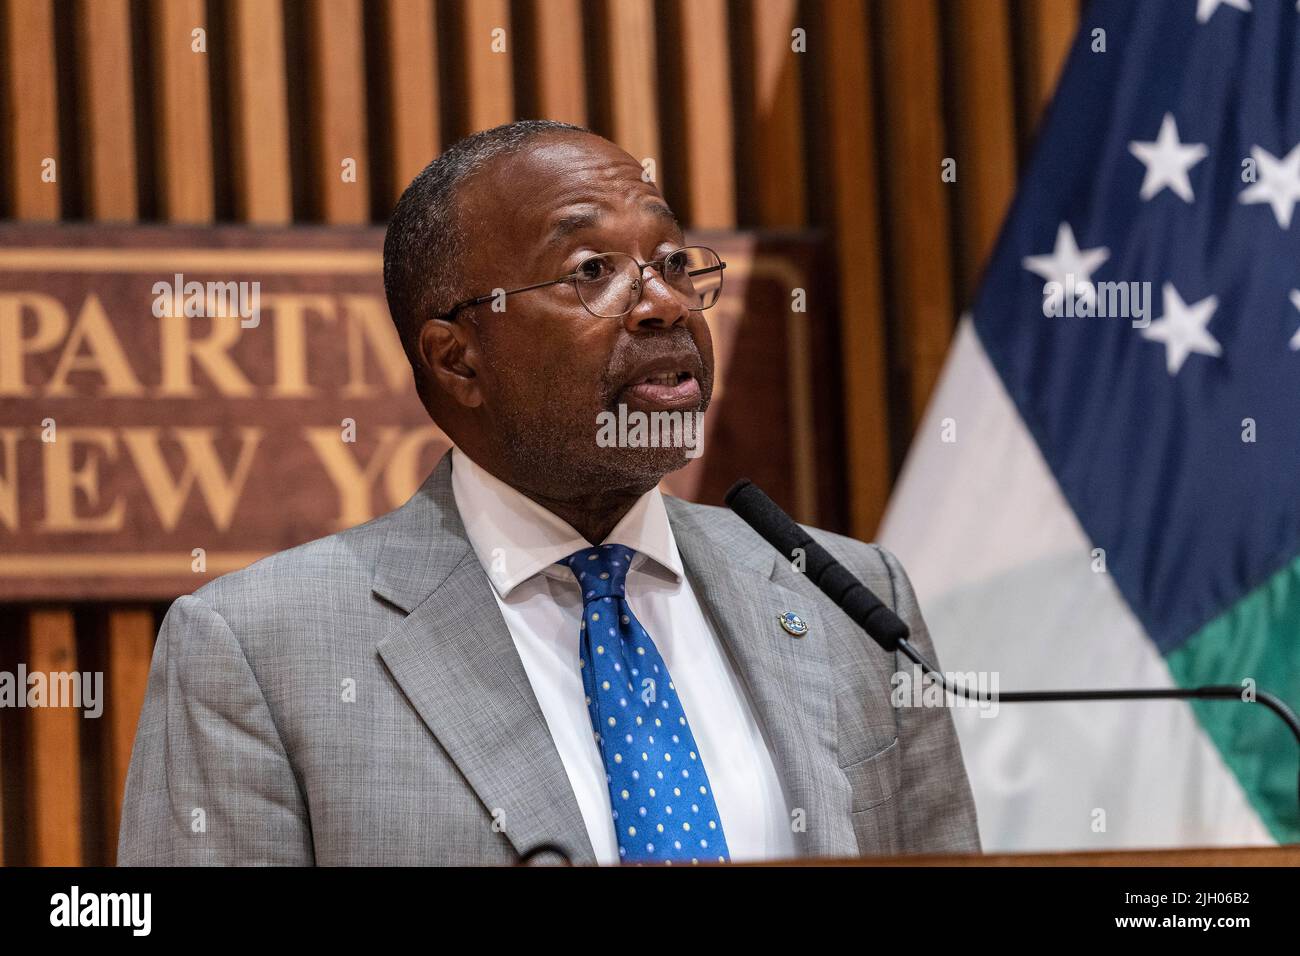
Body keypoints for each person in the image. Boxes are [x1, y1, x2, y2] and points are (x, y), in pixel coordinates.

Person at [118, 120, 980, 865]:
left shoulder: (847, 600)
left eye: (674, 261)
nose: (664, 305)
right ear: (457, 359)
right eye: (591, 268)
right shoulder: (260, 652)